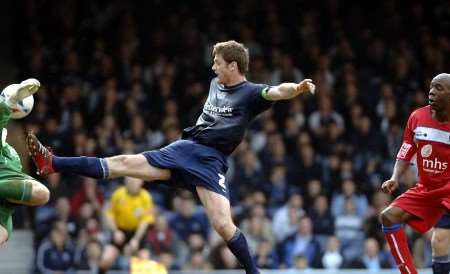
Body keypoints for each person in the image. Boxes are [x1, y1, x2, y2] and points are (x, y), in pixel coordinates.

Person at [27, 40, 315, 274]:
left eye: (218, 62)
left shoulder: (251, 94)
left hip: (210, 161)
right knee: (123, 164)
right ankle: (51, 163)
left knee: (223, 225)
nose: (213, 67)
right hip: (184, 148)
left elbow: (277, 91)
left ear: (233, 66)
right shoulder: (216, 84)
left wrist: (298, 89)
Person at [380, 73, 450, 274]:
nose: (431, 92)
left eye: (438, 88)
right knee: (389, 217)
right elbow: (406, 151)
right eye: (431, 87)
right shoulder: (417, 117)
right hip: (428, 189)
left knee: (440, 241)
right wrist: (395, 177)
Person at [0, 78, 50, 245]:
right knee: (43, 194)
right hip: (5, 204)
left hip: (6, 196)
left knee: (43, 194)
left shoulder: (12, 154)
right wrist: (10, 101)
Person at [100, 177, 155, 273]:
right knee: (106, 259)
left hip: (138, 233)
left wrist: (136, 239)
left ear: (141, 182)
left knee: (144, 262)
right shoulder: (118, 194)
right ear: (125, 181)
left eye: (135, 180)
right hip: (120, 231)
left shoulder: (146, 197)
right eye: (129, 180)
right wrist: (115, 231)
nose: (132, 183)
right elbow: (109, 215)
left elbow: (145, 222)